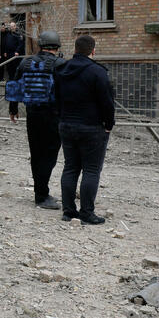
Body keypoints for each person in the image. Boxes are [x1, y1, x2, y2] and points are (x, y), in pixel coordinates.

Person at [53, 34, 115, 225]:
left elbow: (55, 97)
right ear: (93, 51)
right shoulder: (97, 72)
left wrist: (62, 118)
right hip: (91, 127)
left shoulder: (61, 69)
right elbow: (107, 102)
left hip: (66, 125)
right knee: (91, 170)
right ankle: (87, 213)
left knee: (70, 168)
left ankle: (68, 211)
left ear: (75, 49)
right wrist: (108, 124)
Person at [9, 30, 64, 210]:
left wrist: (13, 109)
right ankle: (42, 194)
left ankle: (40, 191)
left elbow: (14, 85)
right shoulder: (60, 64)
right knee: (49, 155)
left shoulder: (25, 62)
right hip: (53, 116)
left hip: (32, 114)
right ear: (56, 47)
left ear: (40, 45)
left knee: (36, 154)